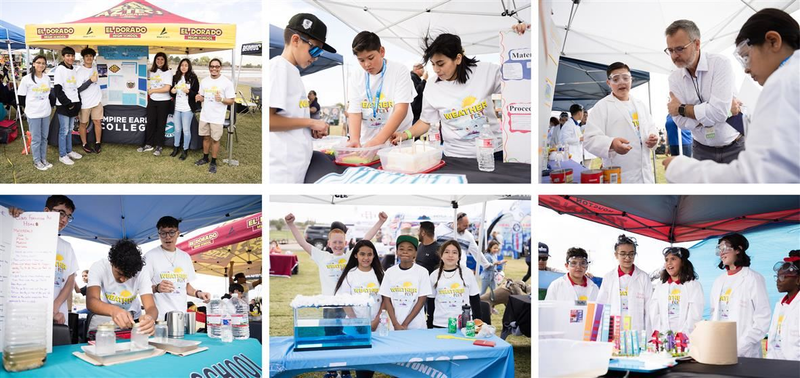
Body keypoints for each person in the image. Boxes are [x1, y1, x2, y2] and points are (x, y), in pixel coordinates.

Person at [663, 9, 800, 182]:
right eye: (670, 50)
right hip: (702, 147)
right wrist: (710, 112)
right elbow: (686, 122)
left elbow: (754, 176)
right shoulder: (790, 78)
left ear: (773, 41)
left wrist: (682, 109)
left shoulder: (782, 83)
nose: (746, 69)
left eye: (746, 56)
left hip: (733, 144)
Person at [390, 24, 529, 157]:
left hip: (492, 153)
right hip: (455, 156)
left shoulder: (486, 71)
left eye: (441, 64)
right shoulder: (432, 86)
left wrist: (522, 39)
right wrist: (405, 134)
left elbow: (519, 83)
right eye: (433, 64)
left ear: (458, 58)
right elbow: (426, 121)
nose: (436, 70)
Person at [664, 19, 743, 165]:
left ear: (697, 44)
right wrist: (722, 112)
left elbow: (718, 112)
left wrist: (681, 109)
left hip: (735, 147)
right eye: (670, 50)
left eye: (680, 49)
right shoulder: (674, 78)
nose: (674, 56)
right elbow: (680, 122)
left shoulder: (720, 64)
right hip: (701, 150)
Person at [269, 13, 334, 183]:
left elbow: (289, 117)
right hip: (281, 170)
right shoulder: (278, 68)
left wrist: (309, 129)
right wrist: (311, 122)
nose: (316, 57)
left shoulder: (293, 71)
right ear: (296, 40)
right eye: (315, 49)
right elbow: (268, 121)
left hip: (295, 166)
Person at [9, 196, 80, 325]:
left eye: (68, 216)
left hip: (58, 317)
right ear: (47, 211)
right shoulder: (25, 236)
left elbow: (70, 281)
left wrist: (55, 306)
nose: (64, 219)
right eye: (61, 213)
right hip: (24, 315)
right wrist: (13, 219)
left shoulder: (66, 247)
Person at [583, 62, 658, 183]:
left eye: (625, 78)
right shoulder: (602, 107)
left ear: (631, 79)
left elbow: (651, 128)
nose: (621, 82)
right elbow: (589, 139)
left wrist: (653, 138)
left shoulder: (640, 105)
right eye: (616, 79)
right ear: (609, 83)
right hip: (620, 174)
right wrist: (612, 143)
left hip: (646, 174)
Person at [284, 212, 386, 295]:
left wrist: (380, 222)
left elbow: (366, 238)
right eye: (334, 242)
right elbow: (303, 243)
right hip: (329, 304)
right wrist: (291, 224)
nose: (338, 245)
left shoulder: (349, 256)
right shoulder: (322, 256)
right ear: (329, 243)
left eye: (340, 242)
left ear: (345, 243)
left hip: (348, 304)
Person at [346, 31, 415, 147]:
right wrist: (354, 139)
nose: (367, 64)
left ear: (381, 51)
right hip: (367, 142)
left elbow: (401, 110)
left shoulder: (399, 70)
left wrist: (378, 141)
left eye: (370, 58)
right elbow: (354, 110)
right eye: (361, 60)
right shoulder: (356, 75)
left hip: (396, 143)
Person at [709, 232, 771, 358]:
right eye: (719, 249)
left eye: (725, 248)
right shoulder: (718, 281)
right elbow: (714, 312)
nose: (721, 253)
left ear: (738, 249)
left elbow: (762, 318)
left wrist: (743, 345)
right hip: (720, 346)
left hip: (745, 351)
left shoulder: (753, 278)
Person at [143, 216, 211, 320]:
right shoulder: (150, 256)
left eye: (171, 232)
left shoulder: (185, 257)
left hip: (181, 318)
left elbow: (185, 285)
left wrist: (198, 293)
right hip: (160, 319)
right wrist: (157, 288)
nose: (167, 237)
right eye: (163, 233)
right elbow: (143, 288)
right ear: (159, 235)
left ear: (178, 233)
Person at [86, 239, 157, 334]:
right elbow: (91, 301)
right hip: (107, 320)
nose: (123, 280)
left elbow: (151, 307)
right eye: (119, 273)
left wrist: (150, 318)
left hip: (134, 320)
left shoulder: (142, 272)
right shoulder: (99, 267)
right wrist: (114, 310)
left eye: (129, 276)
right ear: (111, 262)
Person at [596, 234, 652, 333]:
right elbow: (601, 305)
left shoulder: (644, 277)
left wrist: (648, 335)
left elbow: (649, 308)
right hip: (613, 330)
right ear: (616, 255)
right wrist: (600, 332)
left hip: (637, 331)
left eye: (631, 254)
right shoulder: (608, 277)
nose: (627, 257)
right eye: (623, 253)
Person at [379, 235, 431, 330]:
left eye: (410, 249)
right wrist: (395, 324)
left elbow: (421, 300)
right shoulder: (390, 272)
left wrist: (405, 324)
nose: (405, 252)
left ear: (415, 253)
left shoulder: (422, 272)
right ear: (397, 252)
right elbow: (387, 299)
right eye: (401, 249)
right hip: (394, 326)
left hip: (416, 326)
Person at [648, 247, 704, 334]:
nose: (669, 263)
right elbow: (654, 311)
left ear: (682, 262)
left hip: (685, 338)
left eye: (673, 259)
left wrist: (683, 334)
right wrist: (659, 331)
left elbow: (695, 314)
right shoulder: (660, 286)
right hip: (664, 336)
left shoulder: (694, 285)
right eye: (666, 260)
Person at [193, 58, 235, 174]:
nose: (214, 68)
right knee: (206, 137)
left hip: (217, 117)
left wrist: (221, 99)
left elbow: (231, 101)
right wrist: (199, 97)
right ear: (209, 68)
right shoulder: (204, 81)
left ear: (220, 68)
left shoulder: (226, 82)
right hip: (205, 115)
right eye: (212, 66)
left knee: (215, 139)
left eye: (217, 66)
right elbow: (202, 96)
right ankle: (205, 158)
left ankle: (213, 161)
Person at [428, 240, 482, 328]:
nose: (450, 255)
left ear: (459, 256)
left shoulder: (467, 273)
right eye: (446, 252)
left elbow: (475, 300)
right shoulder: (434, 275)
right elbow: (430, 303)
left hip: (464, 325)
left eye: (454, 252)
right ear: (441, 255)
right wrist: (430, 324)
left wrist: (478, 322)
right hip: (439, 324)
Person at [17, 55, 52, 170]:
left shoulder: (46, 78)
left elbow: (49, 94)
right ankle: (37, 161)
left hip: (45, 112)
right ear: (33, 64)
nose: (41, 65)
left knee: (44, 138)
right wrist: (30, 108)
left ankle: (43, 159)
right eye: (39, 62)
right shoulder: (26, 79)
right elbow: (21, 97)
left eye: (43, 63)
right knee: (36, 138)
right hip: (33, 113)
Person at [767, 250, 800, 361]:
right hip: (777, 366)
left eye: (783, 277)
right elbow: (773, 339)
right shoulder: (780, 304)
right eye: (777, 277)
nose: (778, 281)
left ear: (798, 280)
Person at [53, 47, 83, 166]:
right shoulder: (59, 69)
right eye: (68, 56)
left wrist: (77, 103)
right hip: (64, 105)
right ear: (63, 56)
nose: (70, 58)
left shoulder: (74, 69)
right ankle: (62, 155)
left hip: (74, 104)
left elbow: (75, 87)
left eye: (72, 55)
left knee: (70, 130)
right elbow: (58, 90)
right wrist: (68, 103)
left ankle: (69, 151)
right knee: (64, 130)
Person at [139, 52, 172, 156]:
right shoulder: (152, 71)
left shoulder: (168, 72)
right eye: (158, 59)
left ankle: (159, 146)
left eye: (162, 59)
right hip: (153, 100)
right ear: (155, 60)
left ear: (165, 61)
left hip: (164, 101)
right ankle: (149, 144)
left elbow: (167, 88)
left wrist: (153, 91)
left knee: (161, 124)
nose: (160, 61)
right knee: (151, 122)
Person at [170, 58, 200, 161]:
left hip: (187, 108)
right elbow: (171, 92)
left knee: (186, 130)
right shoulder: (175, 77)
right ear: (179, 66)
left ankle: (185, 150)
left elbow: (196, 94)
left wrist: (188, 91)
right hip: (177, 108)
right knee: (177, 129)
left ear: (189, 67)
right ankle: (176, 147)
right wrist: (172, 91)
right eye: (182, 65)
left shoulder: (193, 78)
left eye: (186, 65)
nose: (184, 67)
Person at [76, 47, 103, 154]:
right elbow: (78, 89)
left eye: (91, 56)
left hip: (97, 101)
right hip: (85, 102)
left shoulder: (96, 68)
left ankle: (97, 143)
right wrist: (90, 81)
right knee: (83, 123)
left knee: (97, 122)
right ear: (83, 58)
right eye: (87, 56)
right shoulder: (79, 71)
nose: (89, 58)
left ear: (93, 57)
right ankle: (84, 143)